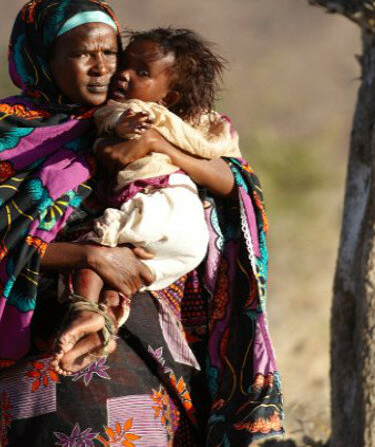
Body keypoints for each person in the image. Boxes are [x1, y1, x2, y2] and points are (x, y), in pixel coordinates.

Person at [0, 0, 283, 447]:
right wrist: (92, 255)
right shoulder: (3, 134)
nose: (102, 67)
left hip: (152, 335)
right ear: (44, 57)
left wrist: (156, 143)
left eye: (110, 53)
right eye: (83, 53)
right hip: (47, 334)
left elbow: (237, 184)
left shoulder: (143, 121)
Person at [53, 28, 242, 376]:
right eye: (123, 64)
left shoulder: (136, 113)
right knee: (119, 273)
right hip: (184, 240)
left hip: (161, 204)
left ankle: (84, 309)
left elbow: (233, 180)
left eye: (142, 72)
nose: (121, 74)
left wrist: (155, 142)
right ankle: (106, 319)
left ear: (170, 97)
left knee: (98, 238)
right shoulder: (194, 127)